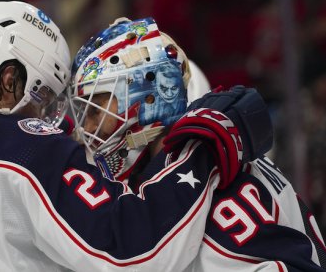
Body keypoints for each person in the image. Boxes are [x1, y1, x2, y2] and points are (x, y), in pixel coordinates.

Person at [0, 2, 270, 272]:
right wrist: (204, 148)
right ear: (8, 78)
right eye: (42, 94)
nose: (45, 115)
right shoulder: (24, 151)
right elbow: (133, 254)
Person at [68, 17, 326, 271]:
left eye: (95, 109)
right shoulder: (205, 157)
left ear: (145, 99)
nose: (88, 128)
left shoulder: (210, 181)